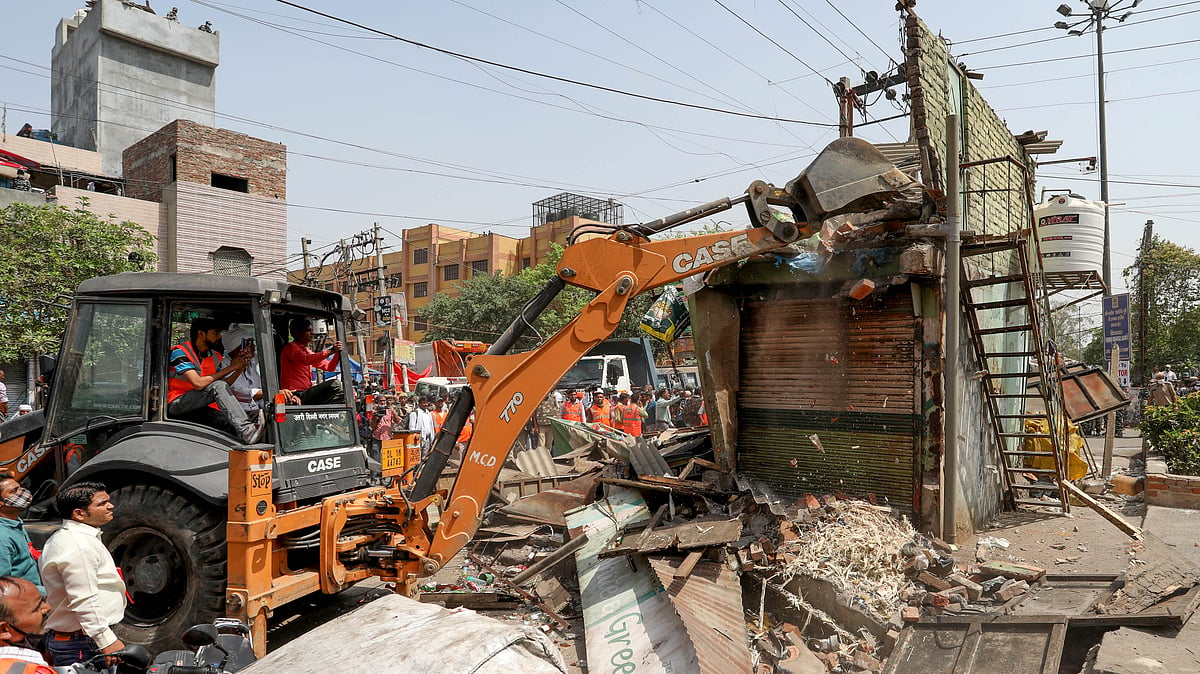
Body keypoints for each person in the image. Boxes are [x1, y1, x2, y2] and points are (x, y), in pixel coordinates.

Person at [39, 482, 126, 668]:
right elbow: (84, 598)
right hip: (82, 643)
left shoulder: (71, 538)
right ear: (79, 513)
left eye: (108, 501)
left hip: (83, 639)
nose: (110, 506)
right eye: (101, 503)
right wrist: (106, 640)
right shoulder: (79, 545)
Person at [167, 317, 263, 444]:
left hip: (202, 405)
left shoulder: (215, 356)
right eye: (215, 333)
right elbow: (198, 383)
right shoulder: (179, 352)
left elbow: (224, 386)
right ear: (201, 334)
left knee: (229, 423)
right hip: (177, 402)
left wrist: (240, 368)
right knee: (217, 385)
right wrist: (231, 367)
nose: (219, 338)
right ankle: (246, 430)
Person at [280, 318, 344, 405]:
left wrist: (337, 353)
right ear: (298, 333)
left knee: (344, 395)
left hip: (306, 393)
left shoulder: (307, 351)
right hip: (295, 393)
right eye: (308, 331)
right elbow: (306, 359)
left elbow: (329, 367)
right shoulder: (291, 347)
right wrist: (330, 351)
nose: (312, 333)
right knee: (335, 384)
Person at [0, 576, 54, 673]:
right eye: (37, 608)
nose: (47, 608)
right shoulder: (33, 671)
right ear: (4, 630)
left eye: (43, 601)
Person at [0, 478, 41, 596]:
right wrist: (44, 593)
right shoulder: (2, 536)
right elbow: (4, 584)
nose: (22, 492)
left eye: (21, 487)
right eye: (14, 491)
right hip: (22, 602)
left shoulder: (16, 524)